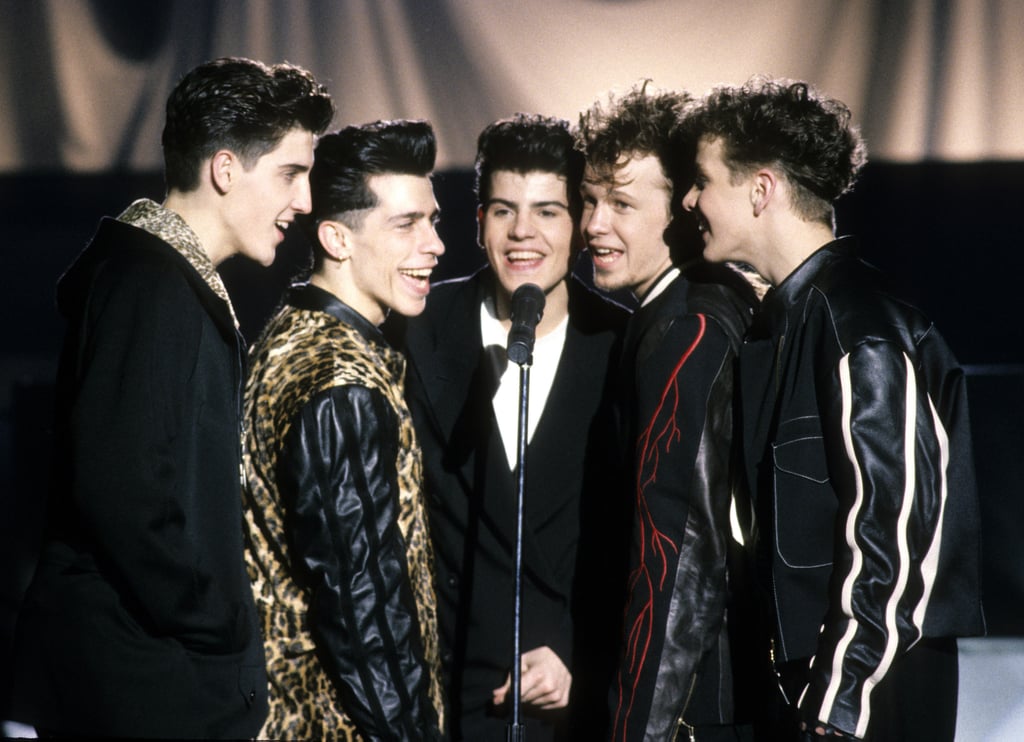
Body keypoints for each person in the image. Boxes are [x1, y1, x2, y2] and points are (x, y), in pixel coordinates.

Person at [9, 57, 333, 738]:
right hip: (142, 683)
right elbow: (122, 490)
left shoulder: (162, 283)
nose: (305, 201)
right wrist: (219, 622)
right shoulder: (148, 287)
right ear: (225, 169)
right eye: (290, 173)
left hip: (150, 673)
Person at [681, 76, 985, 741]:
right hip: (820, 689)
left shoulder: (859, 324)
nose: (689, 200)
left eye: (702, 180)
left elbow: (892, 534)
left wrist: (839, 704)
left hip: (864, 696)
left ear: (760, 189)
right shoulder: (797, 319)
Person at [387, 113, 629, 740]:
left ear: (579, 226)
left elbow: (638, 541)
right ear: (478, 223)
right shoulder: (415, 327)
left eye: (547, 211)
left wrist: (580, 654)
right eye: (504, 211)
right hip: (439, 699)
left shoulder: (624, 347)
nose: (523, 232)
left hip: (568, 703)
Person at [242, 119, 447, 740]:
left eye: (432, 221)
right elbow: (364, 611)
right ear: (336, 238)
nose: (435, 245)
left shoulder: (294, 332)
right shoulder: (340, 382)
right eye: (406, 224)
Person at [576, 83, 756, 742]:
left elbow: (677, 560)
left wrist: (638, 728)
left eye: (622, 204)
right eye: (589, 200)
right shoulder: (672, 317)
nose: (594, 225)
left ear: (682, 209)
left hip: (694, 706)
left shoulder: (689, 330)